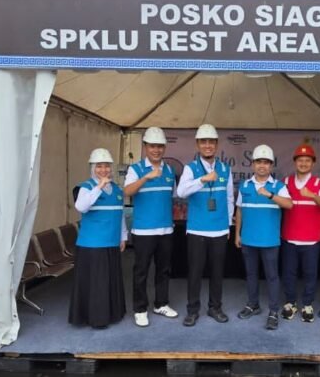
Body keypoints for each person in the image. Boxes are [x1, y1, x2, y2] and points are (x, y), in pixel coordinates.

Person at [176, 124, 234, 326]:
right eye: (204, 142)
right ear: (198, 144)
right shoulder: (190, 168)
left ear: (216, 145)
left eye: (211, 142)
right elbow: (181, 192)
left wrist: (228, 224)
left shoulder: (225, 168)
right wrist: (202, 179)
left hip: (219, 229)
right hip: (197, 229)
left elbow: (229, 198)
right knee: (195, 272)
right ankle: (192, 310)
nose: (207, 145)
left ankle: (215, 307)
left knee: (217, 273)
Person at [123, 127, 178, 327]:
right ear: (145, 147)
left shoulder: (170, 170)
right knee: (141, 271)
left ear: (164, 148)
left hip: (166, 230)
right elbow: (127, 191)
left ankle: (161, 304)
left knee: (164, 270)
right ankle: (140, 309)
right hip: (144, 231)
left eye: (160, 146)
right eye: (152, 146)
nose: (156, 150)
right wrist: (146, 178)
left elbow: (172, 196)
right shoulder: (136, 169)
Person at [235, 145, 293, 330]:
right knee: (251, 275)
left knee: (272, 277)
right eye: (259, 162)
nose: (262, 165)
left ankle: (273, 311)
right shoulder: (245, 185)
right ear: (253, 164)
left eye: (266, 162)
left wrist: (270, 195)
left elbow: (289, 205)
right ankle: (253, 305)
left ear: (271, 165)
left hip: (269, 240)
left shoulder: (278, 186)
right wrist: (237, 234)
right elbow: (239, 210)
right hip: (248, 239)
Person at [68, 148, 127, 329]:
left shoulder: (117, 189)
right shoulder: (85, 187)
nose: (103, 170)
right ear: (92, 168)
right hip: (92, 245)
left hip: (111, 243)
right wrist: (99, 186)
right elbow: (81, 206)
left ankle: (112, 314)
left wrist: (123, 236)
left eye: (107, 166)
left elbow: (120, 215)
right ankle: (96, 319)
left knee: (110, 281)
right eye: (99, 166)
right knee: (96, 284)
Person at [280, 144, 320, 323]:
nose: (303, 163)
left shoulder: (319, 184)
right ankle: (290, 302)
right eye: (300, 160)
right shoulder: (285, 182)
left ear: (313, 163)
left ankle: (307, 304)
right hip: (289, 237)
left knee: (310, 274)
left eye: (307, 160)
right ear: (295, 162)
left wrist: (312, 195)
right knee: (289, 273)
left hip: (311, 240)